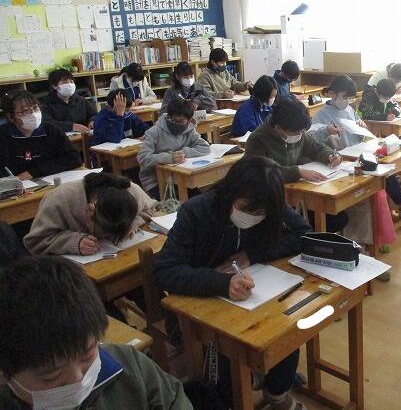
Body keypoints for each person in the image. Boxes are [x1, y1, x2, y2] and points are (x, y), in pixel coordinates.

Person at [154, 157, 311, 410]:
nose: (254, 217)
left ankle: (275, 392)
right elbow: (165, 270)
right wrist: (222, 283)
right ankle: (246, 385)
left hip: (254, 298)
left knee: (286, 328)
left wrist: (252, 255)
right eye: (247, 209)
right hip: (198, 308)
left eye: (261, 214)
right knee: (228, 365)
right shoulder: (196, 211)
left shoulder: (268, 202)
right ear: (231, 191)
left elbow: (305, 235)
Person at [0, 256, 192, 409]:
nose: (78, 379)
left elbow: (174, 400)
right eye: (51, 375)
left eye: (87, 355)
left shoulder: (128, 363)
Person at [311, 75, 401, 218]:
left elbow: (357, 128)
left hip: (357, 152)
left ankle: (398, 204)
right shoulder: (322, 114)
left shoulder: (348, 109)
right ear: (332, 94)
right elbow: (312, 140)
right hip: (342, 158)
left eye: (350, 99)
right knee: (379, 171)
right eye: (344, 97)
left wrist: (361, 126)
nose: (347, 101)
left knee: (385, 169)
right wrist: (326, 130)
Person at [244, 97, 347, 231]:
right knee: (314, 224)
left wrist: (331, 156)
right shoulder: (258, 139)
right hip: (270, 199)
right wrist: (297, 172)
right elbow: (259, 172)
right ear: (278, 128)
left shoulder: (297, 131)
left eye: (302, 132)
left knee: (339, 218)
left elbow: (316, 148)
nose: (299, 135)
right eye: (296, 133)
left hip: (297, 192)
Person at [24, 173, 156, 256]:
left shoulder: (130, 190)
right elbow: (34, 242)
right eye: (105, 233)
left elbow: (151, 208)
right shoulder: (60, 199)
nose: (110, 238)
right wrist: (72, 241)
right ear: (90, 211)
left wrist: (132, 224)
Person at [138, 99, 211, 199]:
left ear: (189, 120)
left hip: (181, 177)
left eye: (179, 121)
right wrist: (170, 157)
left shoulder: (189, 130)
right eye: (171, 120)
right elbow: (142, 157)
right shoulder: (154, 132)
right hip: (156, 180)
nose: (174, 123)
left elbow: (205, 147)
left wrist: (183, 153)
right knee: (178, 204)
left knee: (199, 200)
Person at [0, 90, 81, 180]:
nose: (33, 114)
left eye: (35, 108)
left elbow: (74, 158)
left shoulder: (51, 130)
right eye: (24, 111)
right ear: (11, 117)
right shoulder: (3, 135)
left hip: (48, 180)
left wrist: (36, 171)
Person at [40, 68, 97, 133]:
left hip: (83, 135)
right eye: (65, 82)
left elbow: (94, 114)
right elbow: (47, 123)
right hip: (61, 136)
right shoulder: (46, 104)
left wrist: (92, 121)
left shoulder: (81, 100)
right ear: (54, 86)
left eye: (71, 82)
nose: (69, 84)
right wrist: (71, 126)